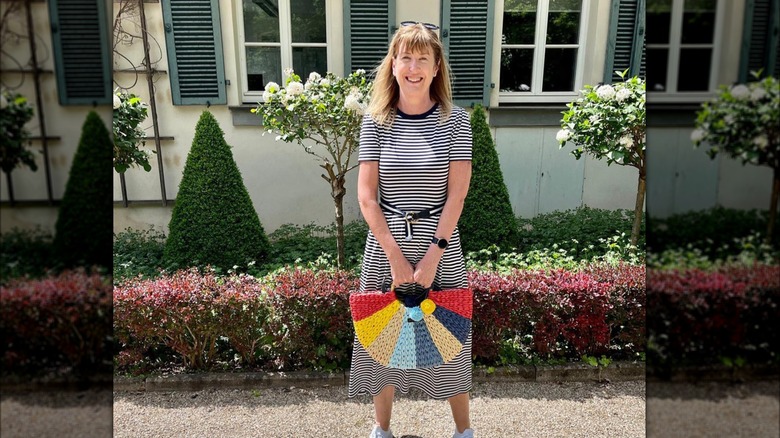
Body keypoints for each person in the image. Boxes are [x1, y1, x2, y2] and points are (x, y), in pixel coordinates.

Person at [349, 21, 474, 438]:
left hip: (441, 243)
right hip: (385, 245)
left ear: (437, 67)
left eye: (423, 58)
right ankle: (381, 428)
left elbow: (456, 198)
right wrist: (396, 257)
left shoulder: (457, 121)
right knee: (380, 341)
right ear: (394, 63)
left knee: (449, 338)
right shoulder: (376, 121)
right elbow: (367, 197)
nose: (414, 67)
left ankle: (463, 431)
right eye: (406, 57)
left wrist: (433, 256)